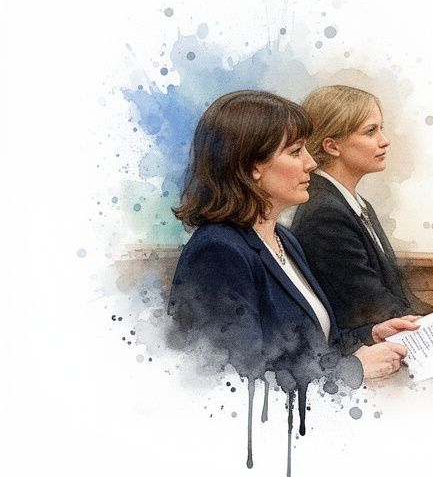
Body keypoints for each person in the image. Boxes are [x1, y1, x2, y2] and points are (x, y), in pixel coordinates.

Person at [167, 90, 417, 391]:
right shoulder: (217, 252)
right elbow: (239, 377)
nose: (311, 163)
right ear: (252, 166)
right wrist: (352, 369)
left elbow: (319, 342)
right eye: (296, 151)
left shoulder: (282, 238)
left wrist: (371, 335)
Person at [290, 85, 430, 335]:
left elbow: (396, 295)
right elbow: (370, 304)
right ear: (332, 146)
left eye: (381, 129)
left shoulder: (354, 203)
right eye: (370, 131)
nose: (384, 141)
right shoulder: (325, 213)